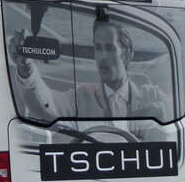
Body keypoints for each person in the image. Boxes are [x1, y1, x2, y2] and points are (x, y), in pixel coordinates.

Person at [9, 16, 169, 123]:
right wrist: (26, 67)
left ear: (126, 54)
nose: (102, 56)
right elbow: (47, 106)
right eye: (98, 48)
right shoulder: (81, 97)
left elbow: (182, 111)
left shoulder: (150, 95)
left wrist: (156, 111)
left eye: (110, 48)